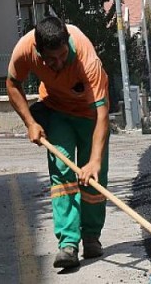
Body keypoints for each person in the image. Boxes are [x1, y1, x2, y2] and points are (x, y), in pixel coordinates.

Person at [6, 16, 110, 269]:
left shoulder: (87, 59)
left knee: (93, 177)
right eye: (51, 59)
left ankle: (91, 236)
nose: (59, 63)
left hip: (90, 116)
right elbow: (12, 83)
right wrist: (31, 122)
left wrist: (95, 160)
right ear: (38, 51)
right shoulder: (24, 49)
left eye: (63, 56)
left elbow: (102, 114)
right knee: (62, 172)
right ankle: (68, 244)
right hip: (57, 111)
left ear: (68, 43)